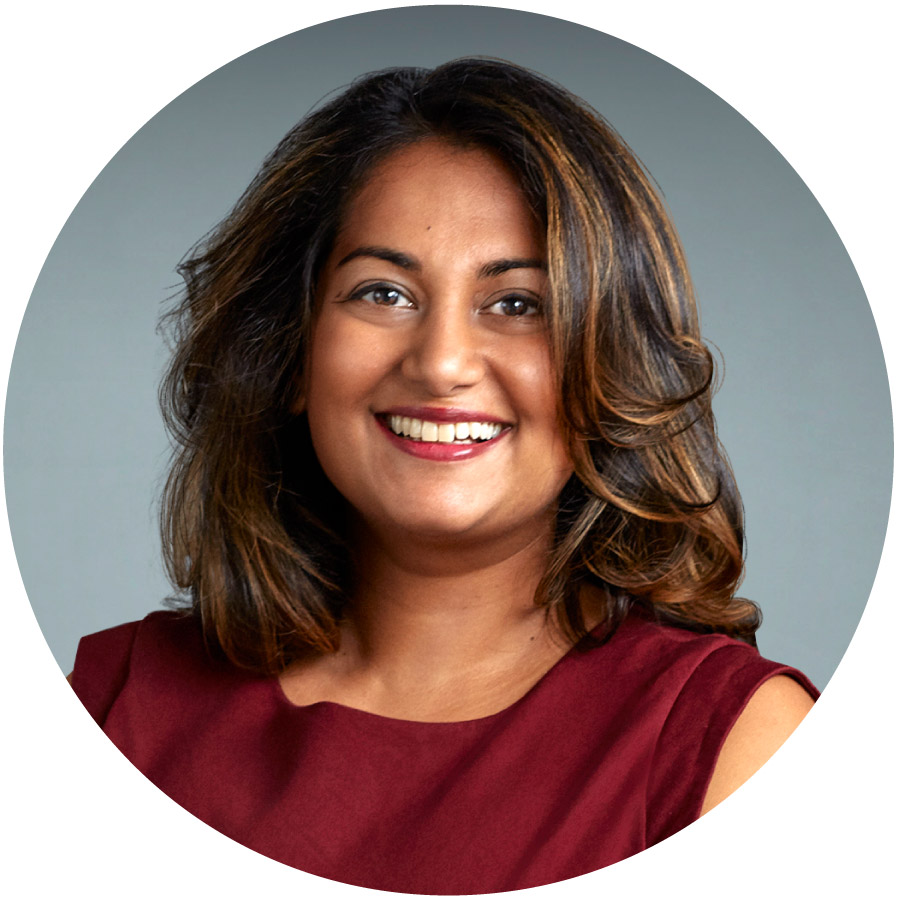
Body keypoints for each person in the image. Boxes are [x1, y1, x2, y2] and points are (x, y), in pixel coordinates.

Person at [69, 58, 816, 893]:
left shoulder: (732, 747)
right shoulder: (110, 710)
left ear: (610, 365)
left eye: (518, 303)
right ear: (289, 354)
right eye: (383, 293)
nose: (443, 363)